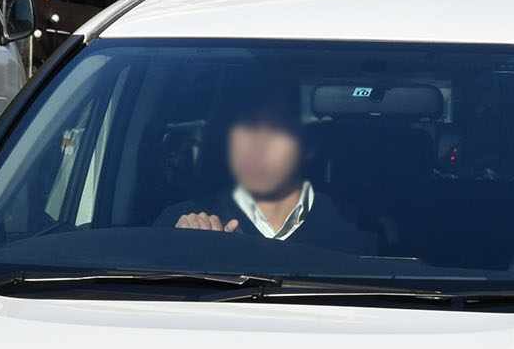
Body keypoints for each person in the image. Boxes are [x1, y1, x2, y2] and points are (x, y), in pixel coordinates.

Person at [159, 83, 374, 253]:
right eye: (247, 128)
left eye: (276, 129)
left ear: (308, 145)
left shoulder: (360, 231)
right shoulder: (181, 222)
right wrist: (182, 248)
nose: (257, 146)